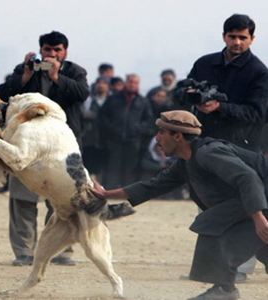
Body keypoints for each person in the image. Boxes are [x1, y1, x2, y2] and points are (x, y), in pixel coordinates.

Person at [92, 110, 268, 300]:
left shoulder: (208, 152)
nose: (157, 138)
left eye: (161, 132)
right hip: (254, 204)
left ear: (177, 136)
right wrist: (106, 194)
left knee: (211, 223)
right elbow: (153, 186)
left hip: (260, 203)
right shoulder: (186, 162)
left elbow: (248, 178)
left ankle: (224, 290)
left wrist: (258, 217)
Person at [0, 31, 132, 266]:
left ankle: (61, 250)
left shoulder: (75, 71)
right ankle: (24, 252)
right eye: (48, 50)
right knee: (22, 198)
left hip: (62, 145)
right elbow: (3, 95)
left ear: (65, 52)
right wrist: (26, 76)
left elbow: (81, 94)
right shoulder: (25, 69)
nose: (52, 54)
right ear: (41, 50)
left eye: (57, 50)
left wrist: (57, 76)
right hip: (27, 142)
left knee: (64, 198)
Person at [186, 13, 268, 281]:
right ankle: (223, 265)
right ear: (224, 36)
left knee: (244, 204)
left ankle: (237, 268)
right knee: (209, 202)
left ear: (252, 39)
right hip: (204, 145)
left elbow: (257, 113)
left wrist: (221, 107)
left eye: (242, 37)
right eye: (232, 36)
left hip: (240, 148)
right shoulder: (204, 64)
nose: (237, 42)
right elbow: (184, 90)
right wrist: (193, 99)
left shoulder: (259, 72)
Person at [98, 73, 154, 189]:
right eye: (130, 82)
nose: (132, 84)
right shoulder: (113, 99)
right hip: (114, 139)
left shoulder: (143, 101)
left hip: (133, 140)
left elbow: (149, 120)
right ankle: (111, 190)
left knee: (131, 166)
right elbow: (103, 116)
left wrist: (137, 129)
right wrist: (111, 129)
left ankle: (128, 191)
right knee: (113, 165)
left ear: (138, 84)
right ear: (126, 83)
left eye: (135, 82)